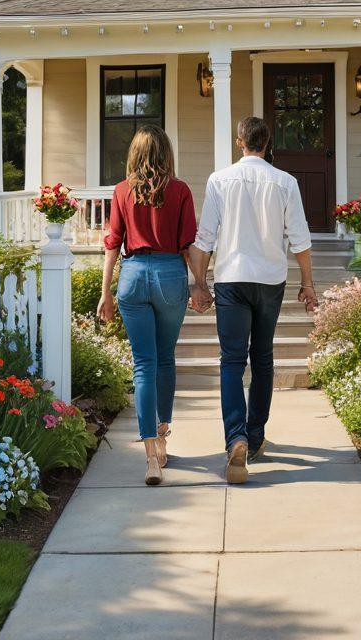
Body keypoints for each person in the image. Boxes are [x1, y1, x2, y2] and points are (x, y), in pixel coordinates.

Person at [188, 115, 318, 484]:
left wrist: (199, 284)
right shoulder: (286, 182)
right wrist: (308, 284)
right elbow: (300, 239)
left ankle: (236, 438)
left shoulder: (219, 180)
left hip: (231, 279)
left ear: (239, 141)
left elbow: (205, 238)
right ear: (268, 142)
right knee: (262, 358)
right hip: (269, 280)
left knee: (231, 361)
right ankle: (255, 435)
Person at [97, 125, 196, 486]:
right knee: (165, 358)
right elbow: (188, 245)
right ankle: (163, 431)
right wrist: (200, 283)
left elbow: (112, 244)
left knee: (143, 365)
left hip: (133, 274)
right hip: (170, 272)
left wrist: (105, 291)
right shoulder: (181, 190)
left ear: (134, 155)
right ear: (166, 153)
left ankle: (151, 455)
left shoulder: (121, 191)